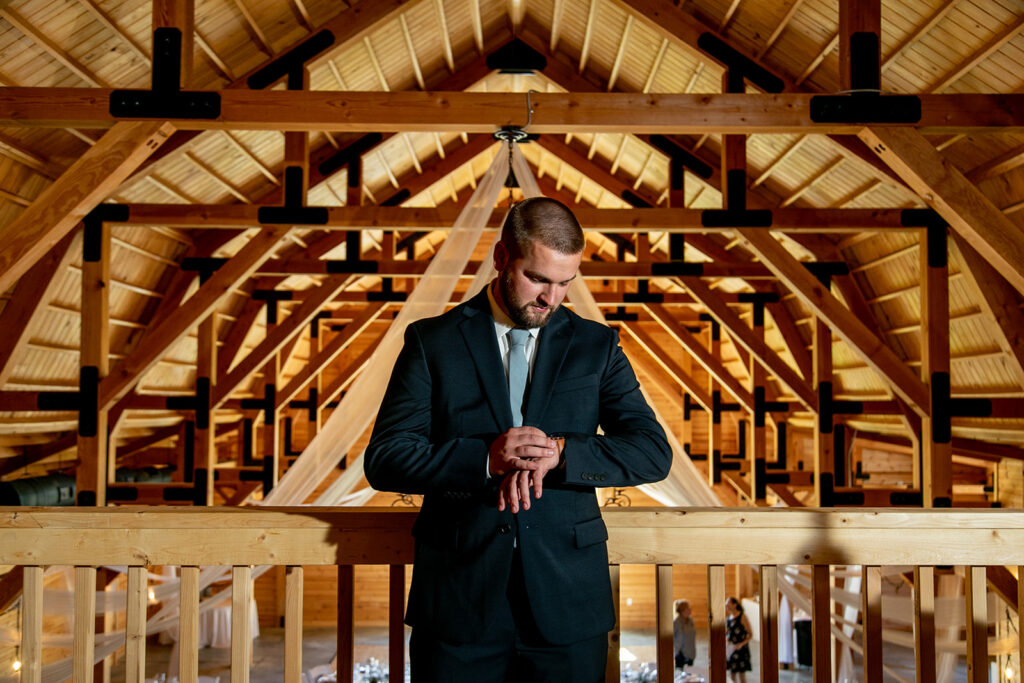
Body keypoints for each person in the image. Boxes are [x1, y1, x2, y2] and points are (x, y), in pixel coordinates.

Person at [365, 196, 672, 682]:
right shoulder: (431, 342)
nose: (552, 299)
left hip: (569, 604)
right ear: (502, 258)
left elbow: (653, 452)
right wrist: (484, 460)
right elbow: (385, 458)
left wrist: (561, 454)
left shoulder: (599, 345)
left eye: (566, 283)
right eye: (539, 279)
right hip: (456, 603)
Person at [725, 596, 753, 682]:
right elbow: (727, 633)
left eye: (728, 603)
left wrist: (741, 644)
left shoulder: (742, 617)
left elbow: (750, 634)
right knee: (732, 674)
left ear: (735, 605)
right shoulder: (728, 619)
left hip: (741, 649)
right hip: (731, 649)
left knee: (741, 675)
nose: (726, 605)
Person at [673, 599, 696, 670]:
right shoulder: (676, 622)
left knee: (689, 674)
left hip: (690, 653)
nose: (690, 609)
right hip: (680, 654)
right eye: (687, 608)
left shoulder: (690, 621)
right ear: (682, 610)